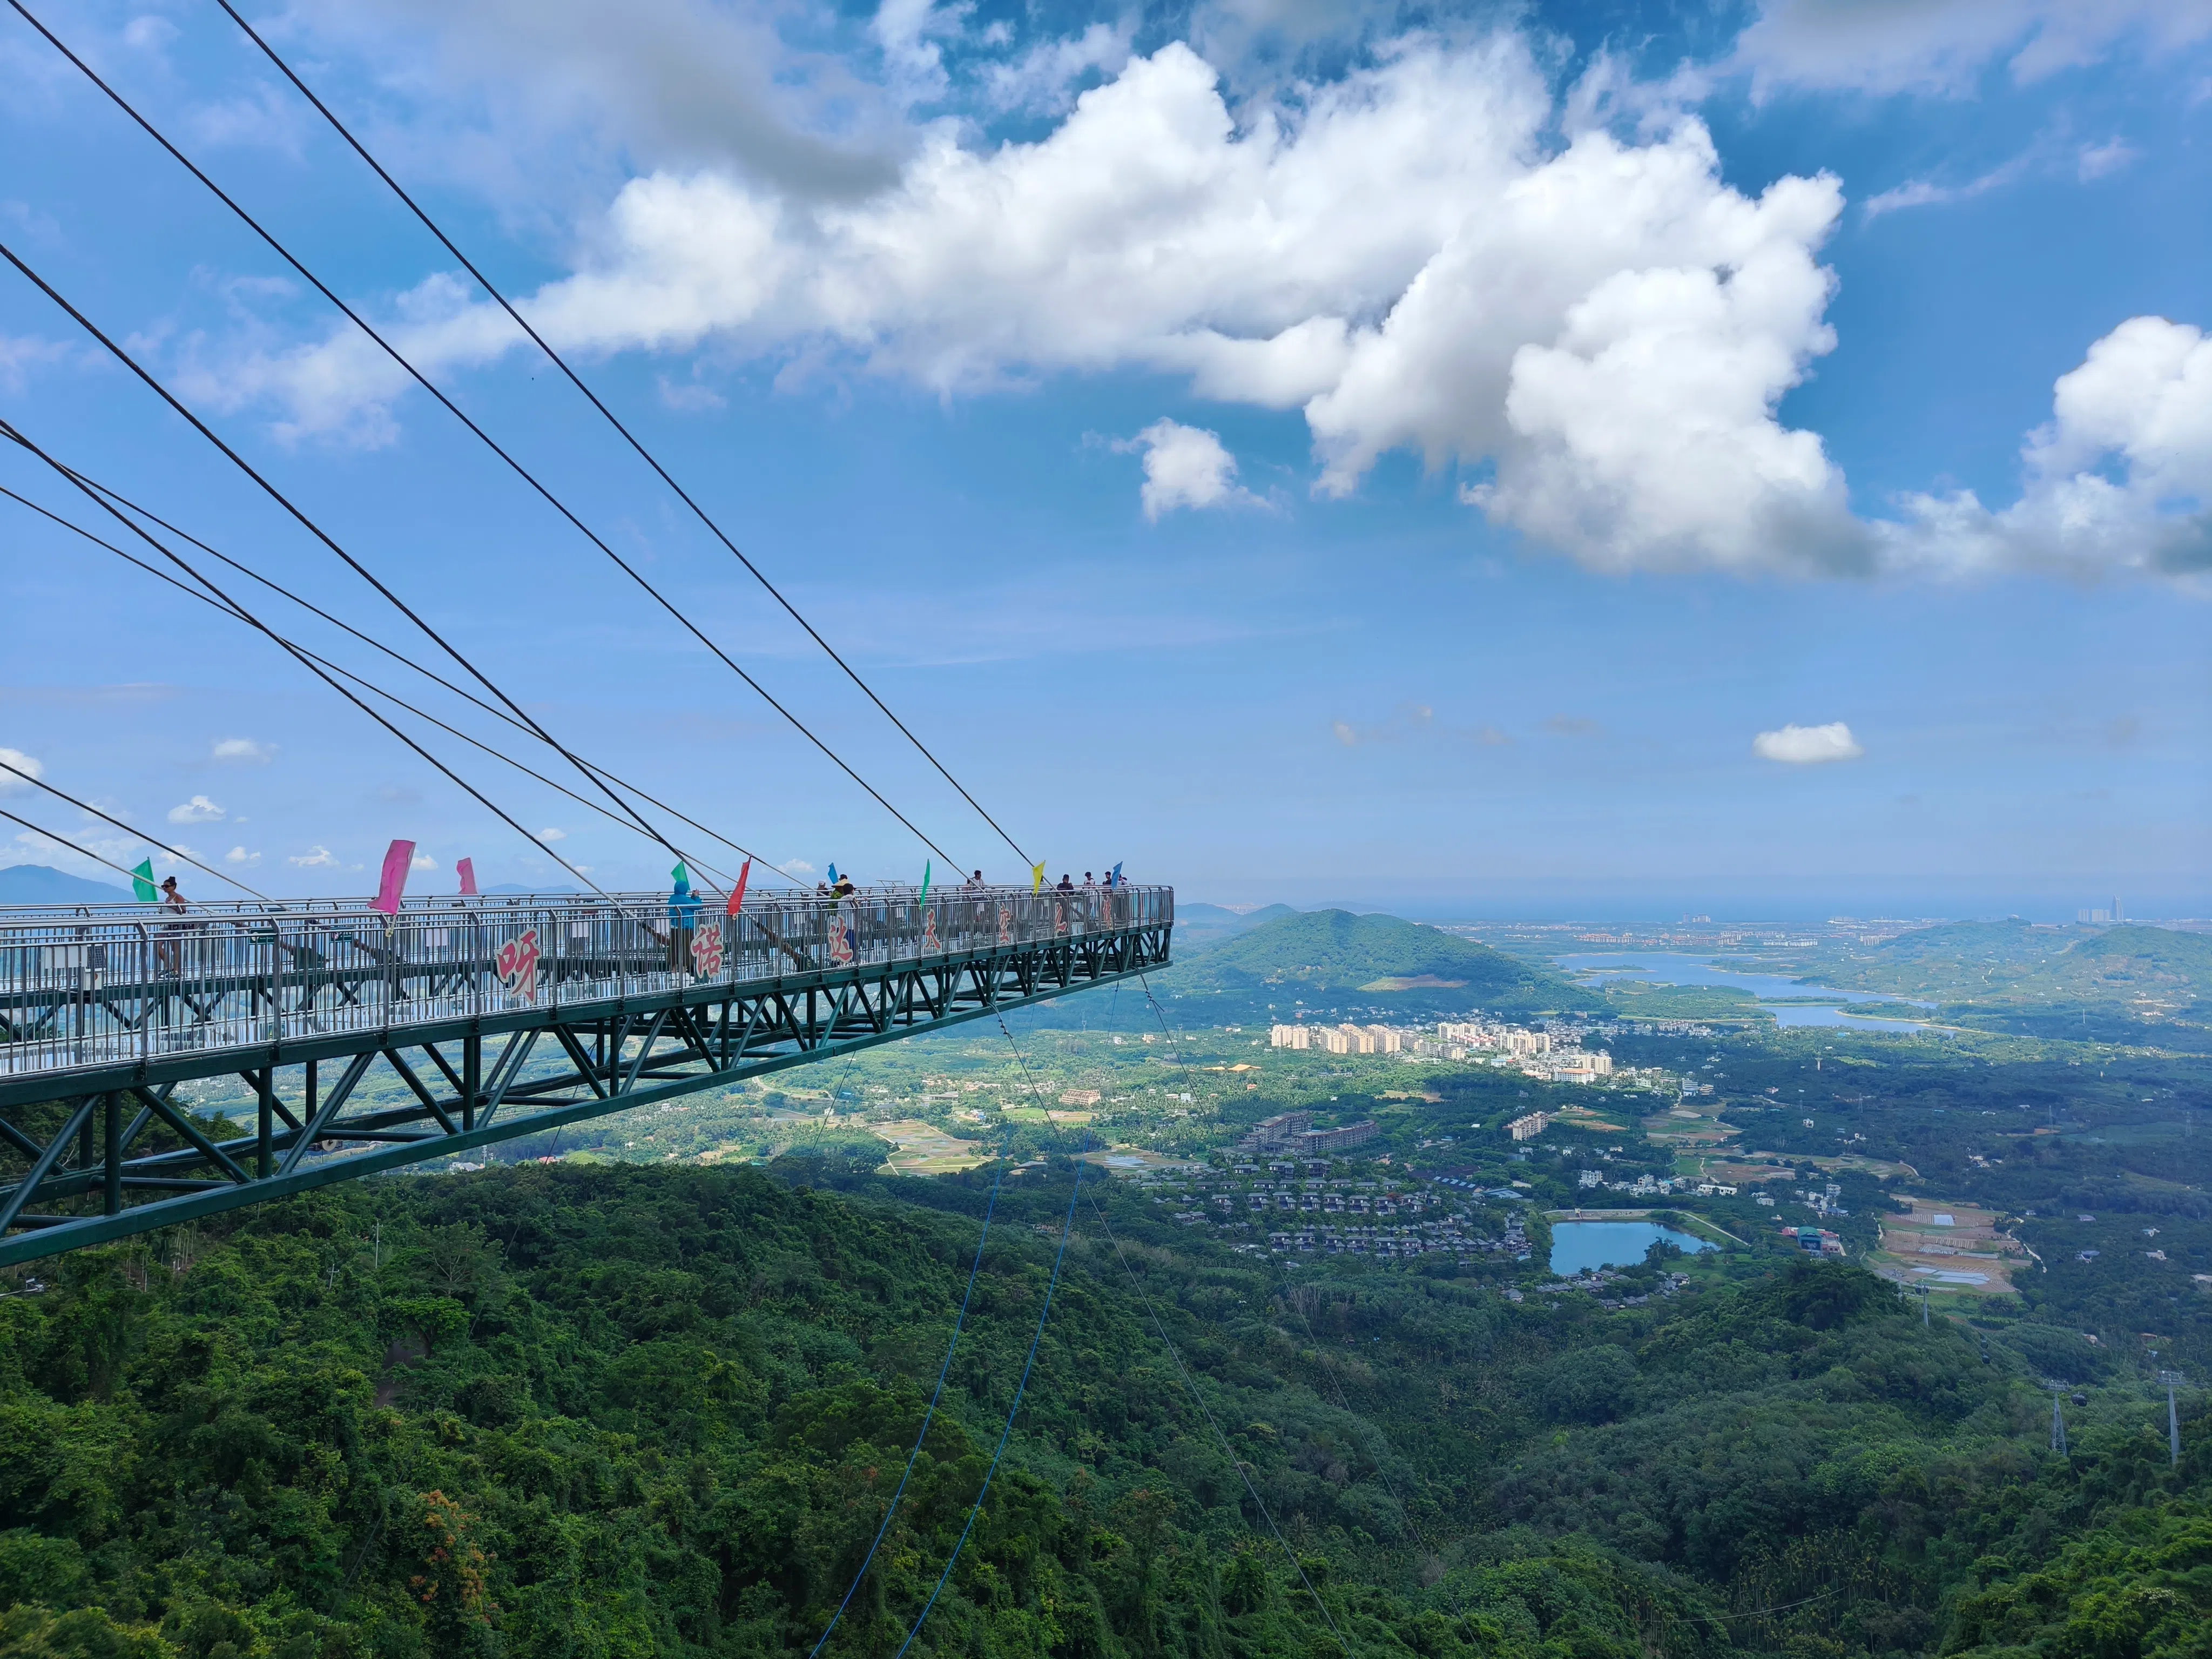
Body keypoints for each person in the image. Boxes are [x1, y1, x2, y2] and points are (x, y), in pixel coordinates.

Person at [155, 875, 188, 975]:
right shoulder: (167, 898)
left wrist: (172, 906)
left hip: (175, 925)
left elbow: (184, 911)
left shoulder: (178, 897)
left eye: (167, 886)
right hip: (165, 925)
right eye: (163, 886)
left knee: (175, 948)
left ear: (173, 887)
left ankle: (176, 970)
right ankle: (169, 966)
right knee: (158, 945)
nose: (165, 888)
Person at [667, 872, 700, 972]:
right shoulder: (684, 899)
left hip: (674, 927)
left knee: (674, 949)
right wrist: (697, 897)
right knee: (686, 949)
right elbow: (698, 906)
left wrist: (691, 898)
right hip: (685, 928)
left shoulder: (672, 898)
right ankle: (683, 971)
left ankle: (673, 970)